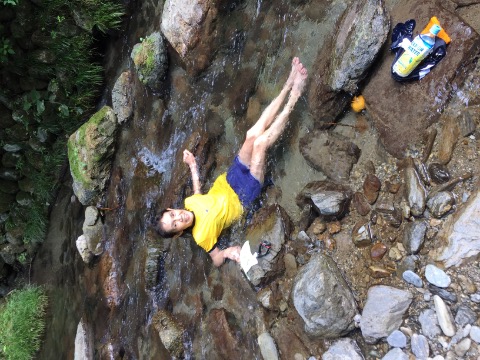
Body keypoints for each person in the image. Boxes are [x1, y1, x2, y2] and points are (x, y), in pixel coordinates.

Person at [155, 57, 308, 267]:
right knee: (261, 144)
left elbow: (198, 193)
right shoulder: (202, 236)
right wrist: (228, 252)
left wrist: (192, 166)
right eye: (175, 225)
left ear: (172, 208)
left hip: (231, 178)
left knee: (252, 135)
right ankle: (295, 97)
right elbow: (216, 259)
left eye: (173, 214)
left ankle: (288, 83)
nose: (178, 218)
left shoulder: (189, 204)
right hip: (244, 194)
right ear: (178, 233)